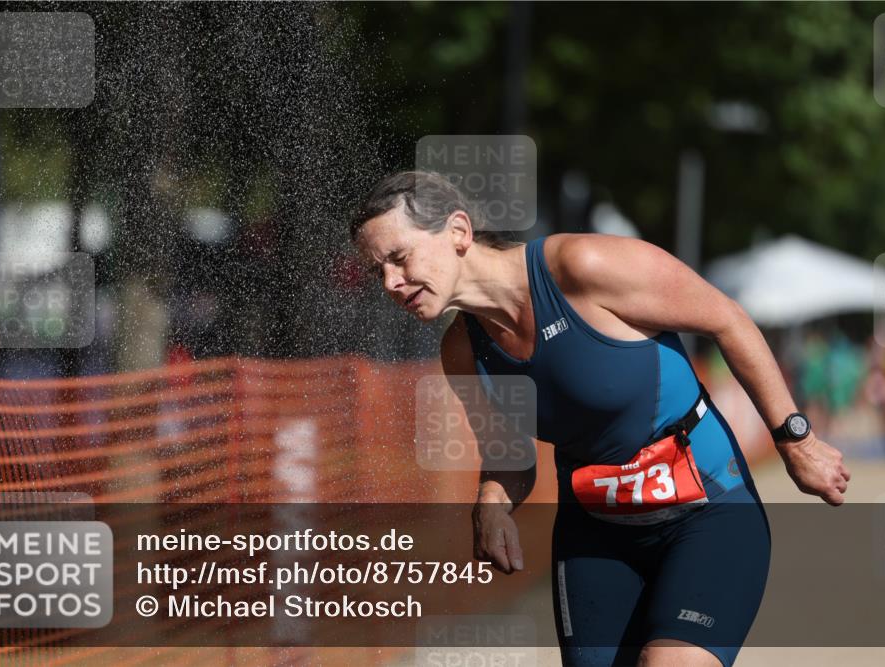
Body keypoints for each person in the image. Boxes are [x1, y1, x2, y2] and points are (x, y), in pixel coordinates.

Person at [350, 171, 851, 667]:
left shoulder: (581, 267)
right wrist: (491, 505)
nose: (391, 283)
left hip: (707, 510)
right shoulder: (463, 351)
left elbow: (728, 319)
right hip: (596, 535)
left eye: (399, 257)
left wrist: (796, 440)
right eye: (379, 272)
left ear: (458, 231)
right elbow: (510, 456)